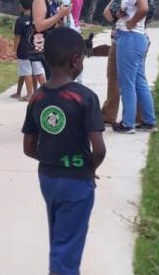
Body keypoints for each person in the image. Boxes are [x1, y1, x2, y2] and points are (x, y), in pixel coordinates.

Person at [22, 27, 106, 275]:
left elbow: (28, 147)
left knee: (59, 236)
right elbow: (99, 149)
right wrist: (87, 167)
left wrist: (54, 158)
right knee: (68, 246)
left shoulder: (36, 98)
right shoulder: (85, 97)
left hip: (47, 178)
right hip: (77, 181)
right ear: (76, 60)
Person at [113, 0, 157, 134]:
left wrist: (132, 23)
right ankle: (149, 120)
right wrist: (123, 14)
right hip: (137, 39)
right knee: (139, 81)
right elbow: (135, 9)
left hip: (130, 38)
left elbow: (144, 8)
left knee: (127, 83)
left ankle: (128, 122)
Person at [30, 0, 72, 79]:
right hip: (45, 47)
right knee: (54, 80)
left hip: (55, 47)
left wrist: (64, 17)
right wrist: (59, 15)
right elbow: (39, 26)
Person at [13, 0, 46, 101]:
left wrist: (14, 50)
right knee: (38, 70)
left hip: (23, 50)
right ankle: (47, 91)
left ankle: (29, 94)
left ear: (21, 6)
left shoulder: (20, 20)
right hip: (36, 47)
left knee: (27, 71)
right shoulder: (37, 18)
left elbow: (17, 37)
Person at [101, 0, 121, 124]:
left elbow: (107, 14)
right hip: (138, 39)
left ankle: (109, 114)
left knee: (113, 77)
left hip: (119, 40)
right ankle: (140, 115)